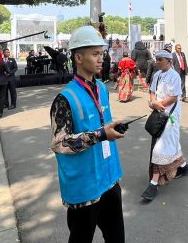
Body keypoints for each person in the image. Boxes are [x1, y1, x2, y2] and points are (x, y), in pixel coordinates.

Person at [49, 26, 125, 242]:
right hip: (84, 189)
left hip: (109, 180)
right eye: (95, 54)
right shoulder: (64, 99)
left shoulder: (101, 87)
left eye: (102, 53)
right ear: (78, 57)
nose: (101, 59)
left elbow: (103, 122)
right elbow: (59, 143)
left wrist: (111, 128)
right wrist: (100, 134)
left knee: (117, 238)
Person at [141, 50, 188, 202]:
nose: (158, 62)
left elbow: (175, 97)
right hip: (159, 113)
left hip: (170, 115)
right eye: (157, 59)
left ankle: (154, 183)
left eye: (161, 59)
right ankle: (183, 166)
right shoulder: (156, 75)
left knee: (160, 147)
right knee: (170, 142)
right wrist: (152, 102)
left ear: (169, 61)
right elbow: (152, 91)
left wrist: (157, 105)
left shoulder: (174, 76)